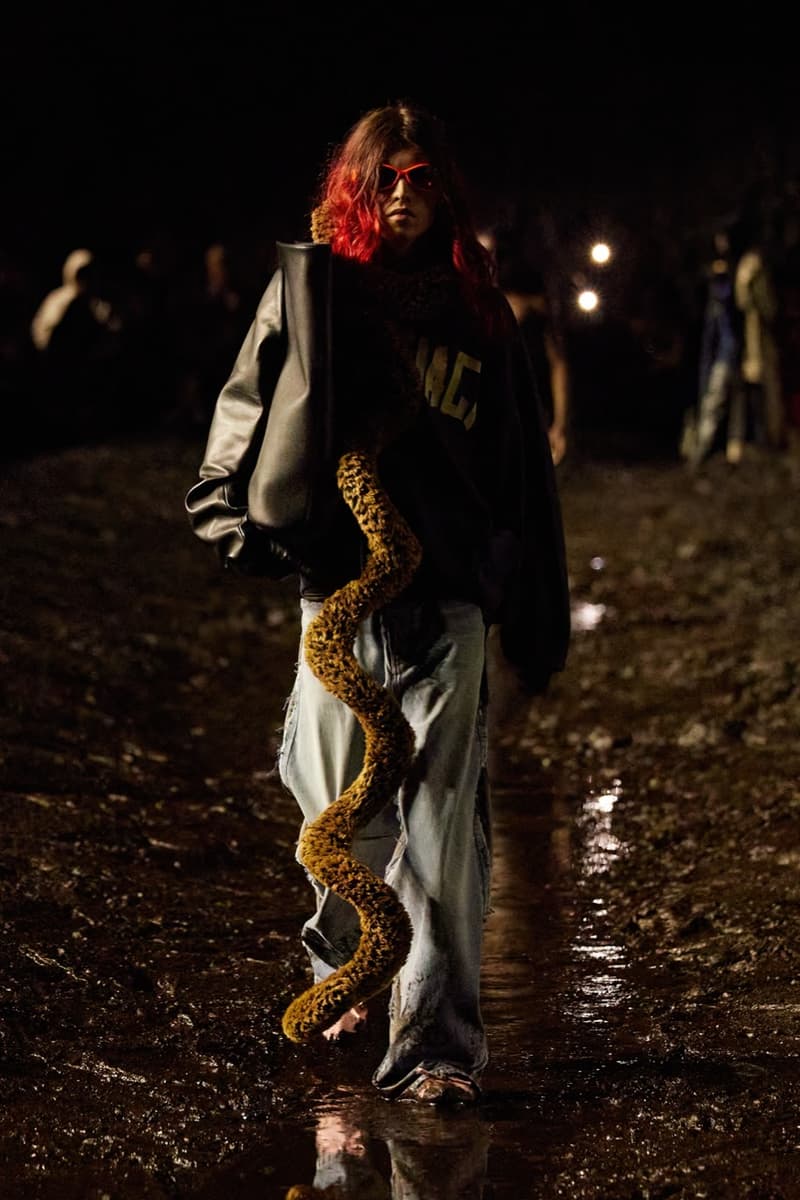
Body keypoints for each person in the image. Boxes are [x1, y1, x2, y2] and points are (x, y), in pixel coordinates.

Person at [185, 101, 570, 1106]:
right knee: (334, 816)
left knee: (442, 832)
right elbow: (240, 424)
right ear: (357, 189)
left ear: (446, 189)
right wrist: (245, 529)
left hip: (444, 606)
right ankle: (344, 984)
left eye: (423, 177)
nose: (405, 194)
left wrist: (528, 608)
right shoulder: (315, 297)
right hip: (337, 605)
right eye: (385, 178)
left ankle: (434, 1052)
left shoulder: (477, 313)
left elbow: (523, 472)